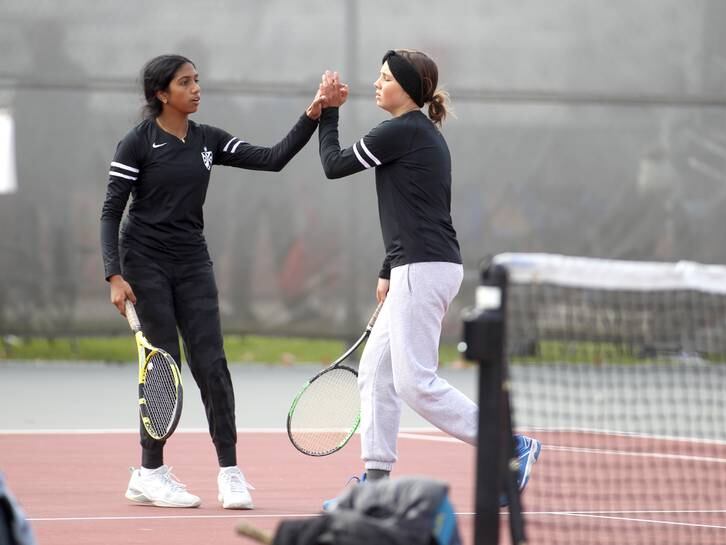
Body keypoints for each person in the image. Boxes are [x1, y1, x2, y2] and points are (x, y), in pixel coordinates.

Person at [315, 50, 541, 507]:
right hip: (414, 265)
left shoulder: (402, 131)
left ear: (407, 88)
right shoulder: (419, 135)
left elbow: (334, 165)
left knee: (414, 382)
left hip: (424, 267)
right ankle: (376, 485)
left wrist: (329, 111)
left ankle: (510, 447)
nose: (377, 84)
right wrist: (388, 269)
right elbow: (415, 209)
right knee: (376, 375)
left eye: (384, 78)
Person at [100, 54, 326, 509]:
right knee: (164, 367)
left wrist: (313, 114)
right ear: (162, 94)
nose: (197, 88)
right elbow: (111, 211)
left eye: (197, 80)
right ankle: (150, 472)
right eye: (186, 83)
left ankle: (230, 473)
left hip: (192, 263)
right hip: (143, 263)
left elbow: (272, 159)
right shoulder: (136, 144)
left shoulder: (208, 140)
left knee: (213, 366)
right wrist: (114, 275)